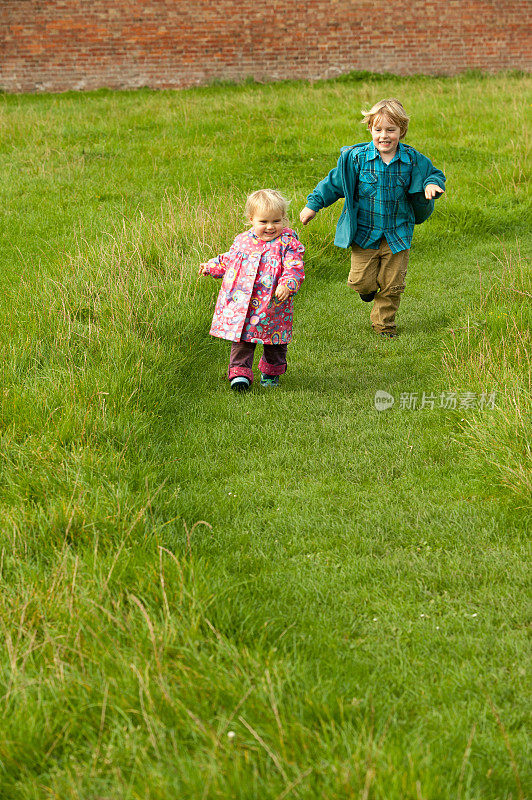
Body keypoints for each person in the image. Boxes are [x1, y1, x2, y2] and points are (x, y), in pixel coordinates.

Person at [300, 98, 445, 337]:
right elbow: (334, 183)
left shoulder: (412, 160)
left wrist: (431, 185)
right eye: (378, 129)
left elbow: (433, 174)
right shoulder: (356, 159)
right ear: (370, 130)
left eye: (391, 130)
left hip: (398, 232)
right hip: (365, 233)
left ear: (402, 131)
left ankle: (384, 326)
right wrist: (313, 205)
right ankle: (366, 290)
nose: (384, 136)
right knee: (361, 282)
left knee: (392, 285)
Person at [199, 189, 305, 391]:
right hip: (244, 304)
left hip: (274, 305)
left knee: (275, 342)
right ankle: (240, 374)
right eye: (263, 222)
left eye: (276, 221)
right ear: (251, 219)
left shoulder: (288, 243)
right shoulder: (243, 241)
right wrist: (211, 266)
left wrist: (287, 284)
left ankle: (271, 373)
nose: (270, 227)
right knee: (243, 339)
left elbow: (294, 267)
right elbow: (229, 260)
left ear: (284, 219)